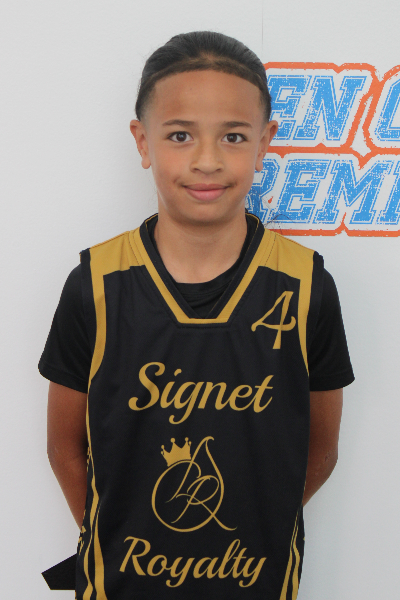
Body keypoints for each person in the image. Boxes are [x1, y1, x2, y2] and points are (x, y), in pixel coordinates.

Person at [39, 31, 354, 599]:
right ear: (143, 142)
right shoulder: (96, 285)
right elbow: (64, 446)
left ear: (264, 144)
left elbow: (320, 449)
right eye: (180, 135)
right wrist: (108, 534)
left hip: (255, 581)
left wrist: (262, 520)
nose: (207, 161)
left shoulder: (306, 287)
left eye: (233, 136)